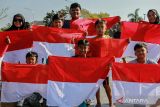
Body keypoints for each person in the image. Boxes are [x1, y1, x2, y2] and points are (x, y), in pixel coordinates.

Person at [128, 43, 157, 107]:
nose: (140, 52)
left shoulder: (153, 64)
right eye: (138, 51)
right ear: (135, 53)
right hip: (137, 91)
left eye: (142, 50)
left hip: (150, 90)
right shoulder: (130, 64)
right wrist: (113, 66)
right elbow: (123, 73)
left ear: (147, 51)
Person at [93, 19, 112, 107]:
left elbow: (116, 49)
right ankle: (98, 102)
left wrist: (126, 42)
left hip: (105, 67)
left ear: (105, 28)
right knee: (97, 86)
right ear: (95, 28)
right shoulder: (92, 40)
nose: (100, 29)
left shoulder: (109, 39)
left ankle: (111, 103)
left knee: (106, 86)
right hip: (95, 67)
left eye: (102, 27)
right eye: (98, 27)